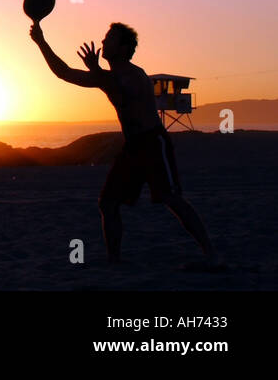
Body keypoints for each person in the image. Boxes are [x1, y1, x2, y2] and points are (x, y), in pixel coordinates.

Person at [30, 20, 219, 267]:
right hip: (132, 148)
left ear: (123, 48)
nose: (103, 41)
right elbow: (64, 72)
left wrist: (96, 71)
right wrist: (41, 41)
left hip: (153, 143)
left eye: (110, 38)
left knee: (172, 199)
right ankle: (114, 260)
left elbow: (123, 97)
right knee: (107, 204)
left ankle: (212, 256)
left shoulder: (135, 75)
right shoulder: (107, 77)